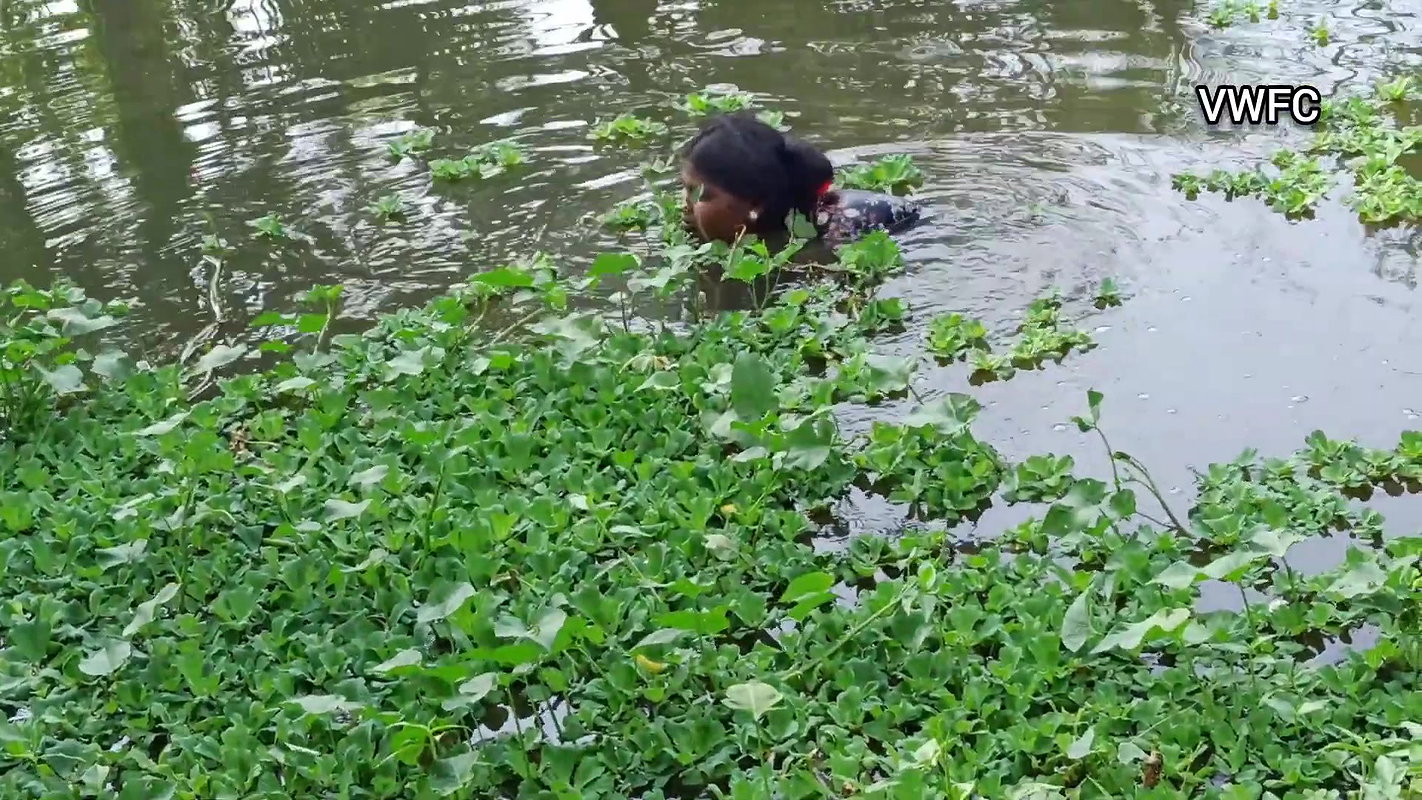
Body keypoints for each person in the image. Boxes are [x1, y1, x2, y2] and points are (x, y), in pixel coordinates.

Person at [679, 112, 921, 247]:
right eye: (685, 189)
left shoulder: (839, 236)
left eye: (700, 193)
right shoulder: (773, 218)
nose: (685, 203)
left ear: (754, 204)